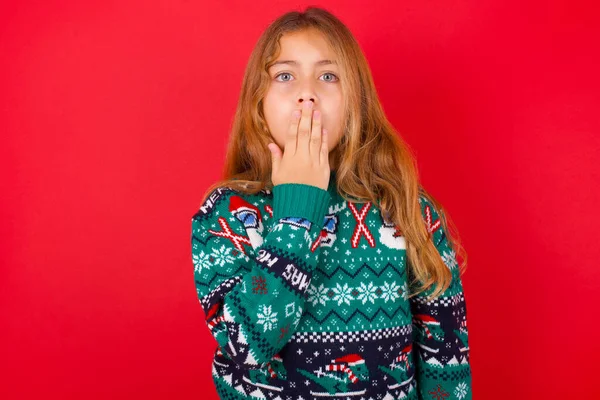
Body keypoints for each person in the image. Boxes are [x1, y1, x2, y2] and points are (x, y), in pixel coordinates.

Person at [191, 6, 472, 400]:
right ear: (258, 103)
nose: (307, 92)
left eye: (328, 75)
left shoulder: (408, 209)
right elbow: (248, 348)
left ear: (356, 100)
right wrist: (295, 214)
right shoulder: (227, 215)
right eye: (285, 76)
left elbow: (445, 357)